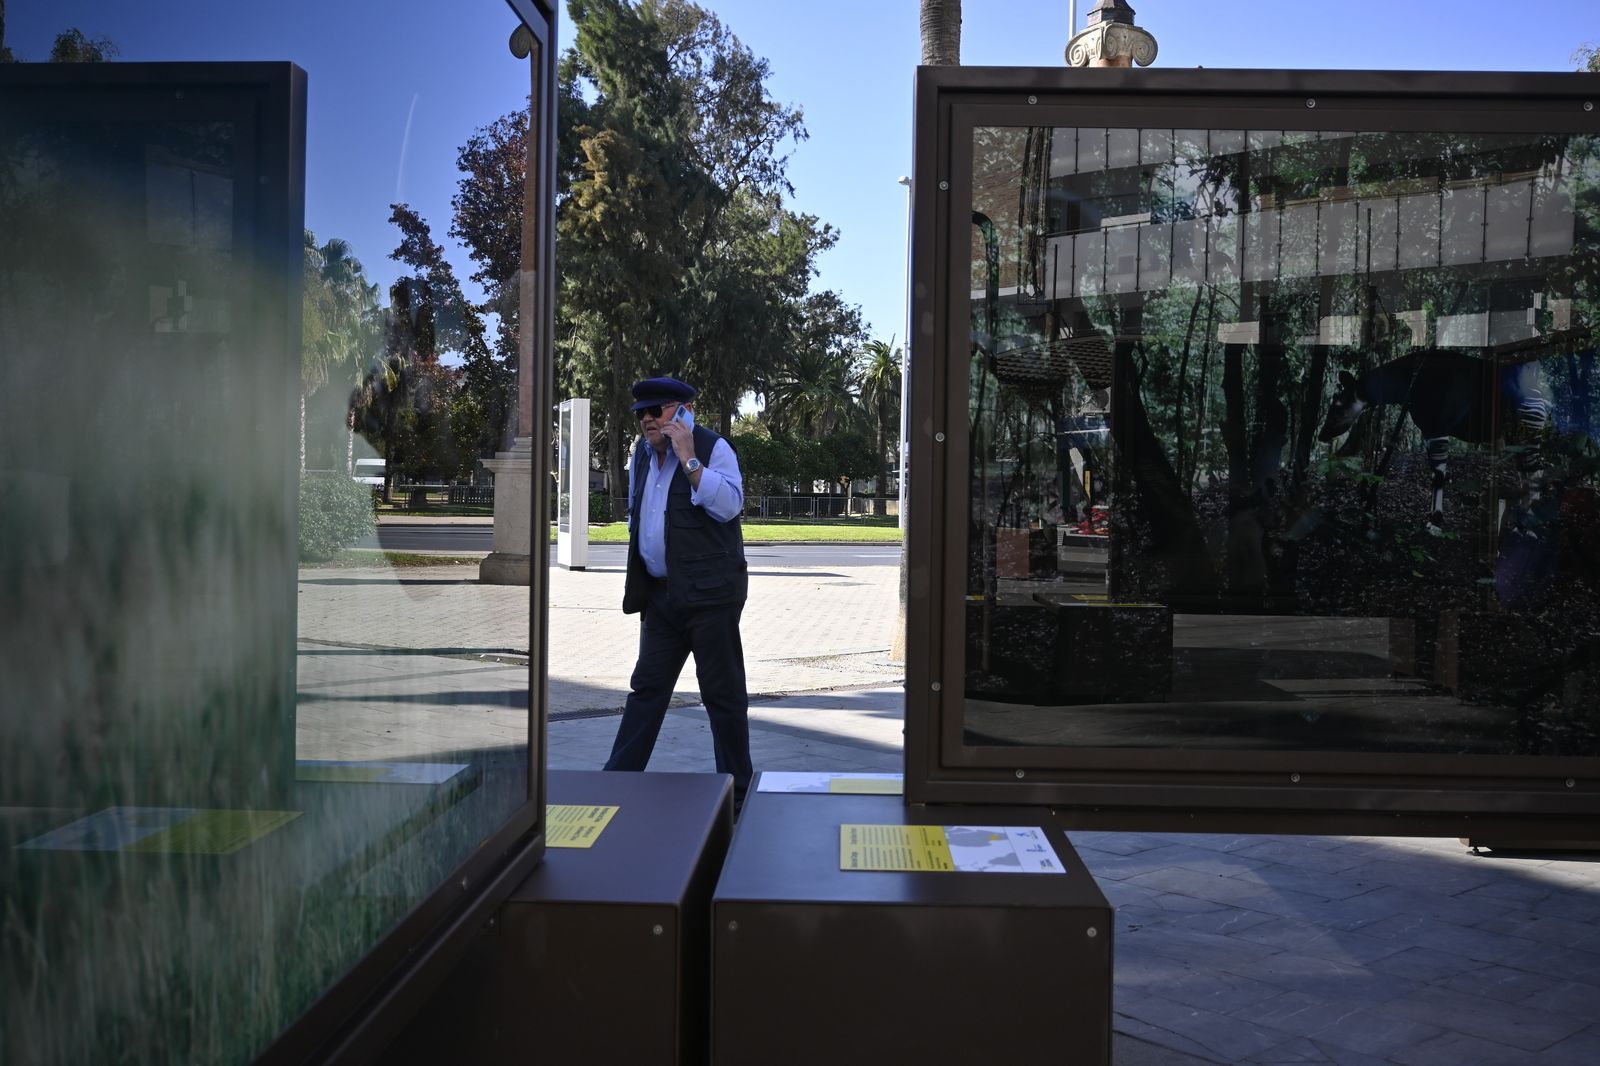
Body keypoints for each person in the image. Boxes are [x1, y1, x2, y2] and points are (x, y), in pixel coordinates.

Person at [603, 376, 753, 806]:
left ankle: (738, 794)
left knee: (722, 696)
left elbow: (729, 506)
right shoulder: (643, 456)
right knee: (646, 690)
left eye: (658, 410)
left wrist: (689, 460)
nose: (648, 420)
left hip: (711, 599)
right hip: (662, 598)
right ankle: (616, 782)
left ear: (686, 410)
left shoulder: (713, 448)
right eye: (642, 413)